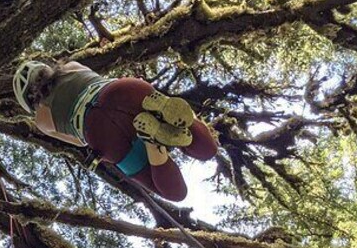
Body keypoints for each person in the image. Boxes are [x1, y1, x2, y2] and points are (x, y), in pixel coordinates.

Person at [13, 60, 218, 201]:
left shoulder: (41, 119)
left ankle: (153, 145)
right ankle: (170, 112)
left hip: (99, 131)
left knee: (175, 193)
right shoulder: (71, 67)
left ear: (30, 101)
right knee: (208, 149)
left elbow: (79, 141)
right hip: (125, 91)